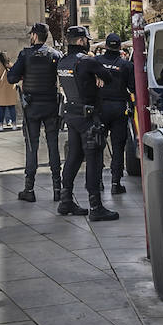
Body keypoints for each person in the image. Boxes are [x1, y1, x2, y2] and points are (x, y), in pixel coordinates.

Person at [56, 26, 118, 221]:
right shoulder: (88, 61)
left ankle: (65, 199)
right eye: (87, 40)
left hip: (71, 114)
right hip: (88, 116)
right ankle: (96, 205)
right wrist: (97, 76)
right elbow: (108, 77)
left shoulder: (62, 62)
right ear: (81, 41)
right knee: (94, 159)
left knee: (73, 157)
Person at [7, 23, 62, 203]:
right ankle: (57, 189)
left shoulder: (25, 54)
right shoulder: (55, 54)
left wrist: (23, 74)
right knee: (53, 145)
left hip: (32, 108)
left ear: (35, 36)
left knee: (32, 146)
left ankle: (29, 189)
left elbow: (11, 78)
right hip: (51, 106)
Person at [96, 33, 137, 194]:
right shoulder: (126, 65)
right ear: (120, 47)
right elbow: (133, 88)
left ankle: (97, 180)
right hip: (119, 108)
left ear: (106, 46)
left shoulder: (97, 62)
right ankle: (115, 183)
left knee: (98, 145)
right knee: (118, 146)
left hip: (100, 107)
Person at [0, 50, 18, 130]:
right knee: (12, 108)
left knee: (1, 108)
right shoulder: (11, 65)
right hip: (11, 89)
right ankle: (14, 124)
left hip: (1, 90)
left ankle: (0, 125)